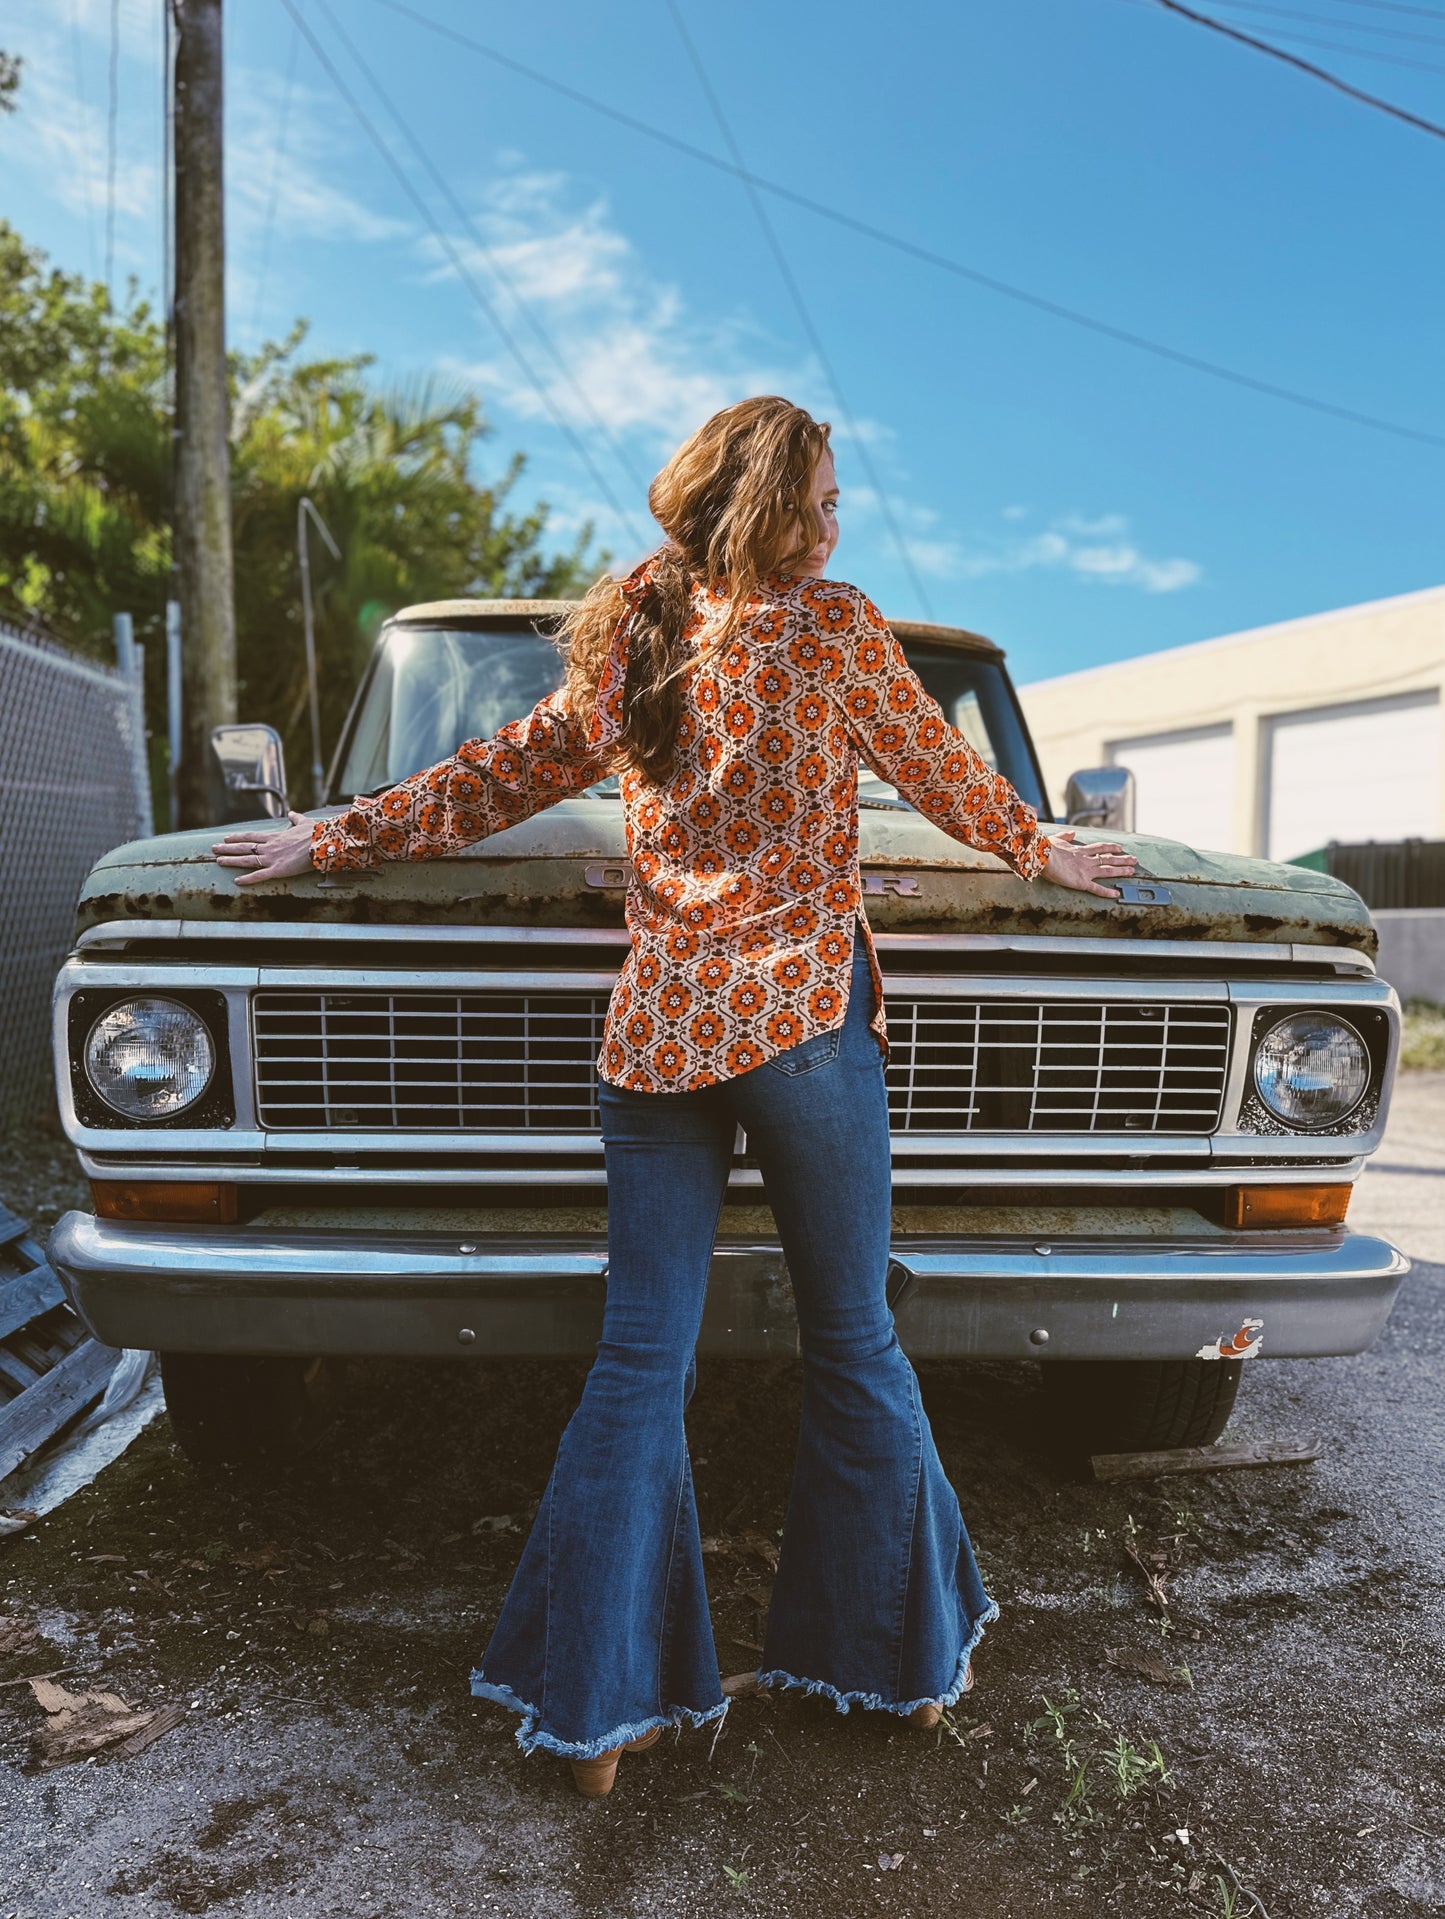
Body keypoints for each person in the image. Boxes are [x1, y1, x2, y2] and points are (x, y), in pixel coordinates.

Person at [216, 397, 1136, 1797]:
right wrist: (1037, 845)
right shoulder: (827, 624)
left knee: (640, 1361)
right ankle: (893, 1674)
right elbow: (935, 761)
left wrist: (335, 834)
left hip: (653, 1039)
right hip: (800, 1024)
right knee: (855, 1343)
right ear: (764, 502)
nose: (837, 526)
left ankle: (597, 1714)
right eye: (820, 501)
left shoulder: (641, 628)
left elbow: (503, 773)